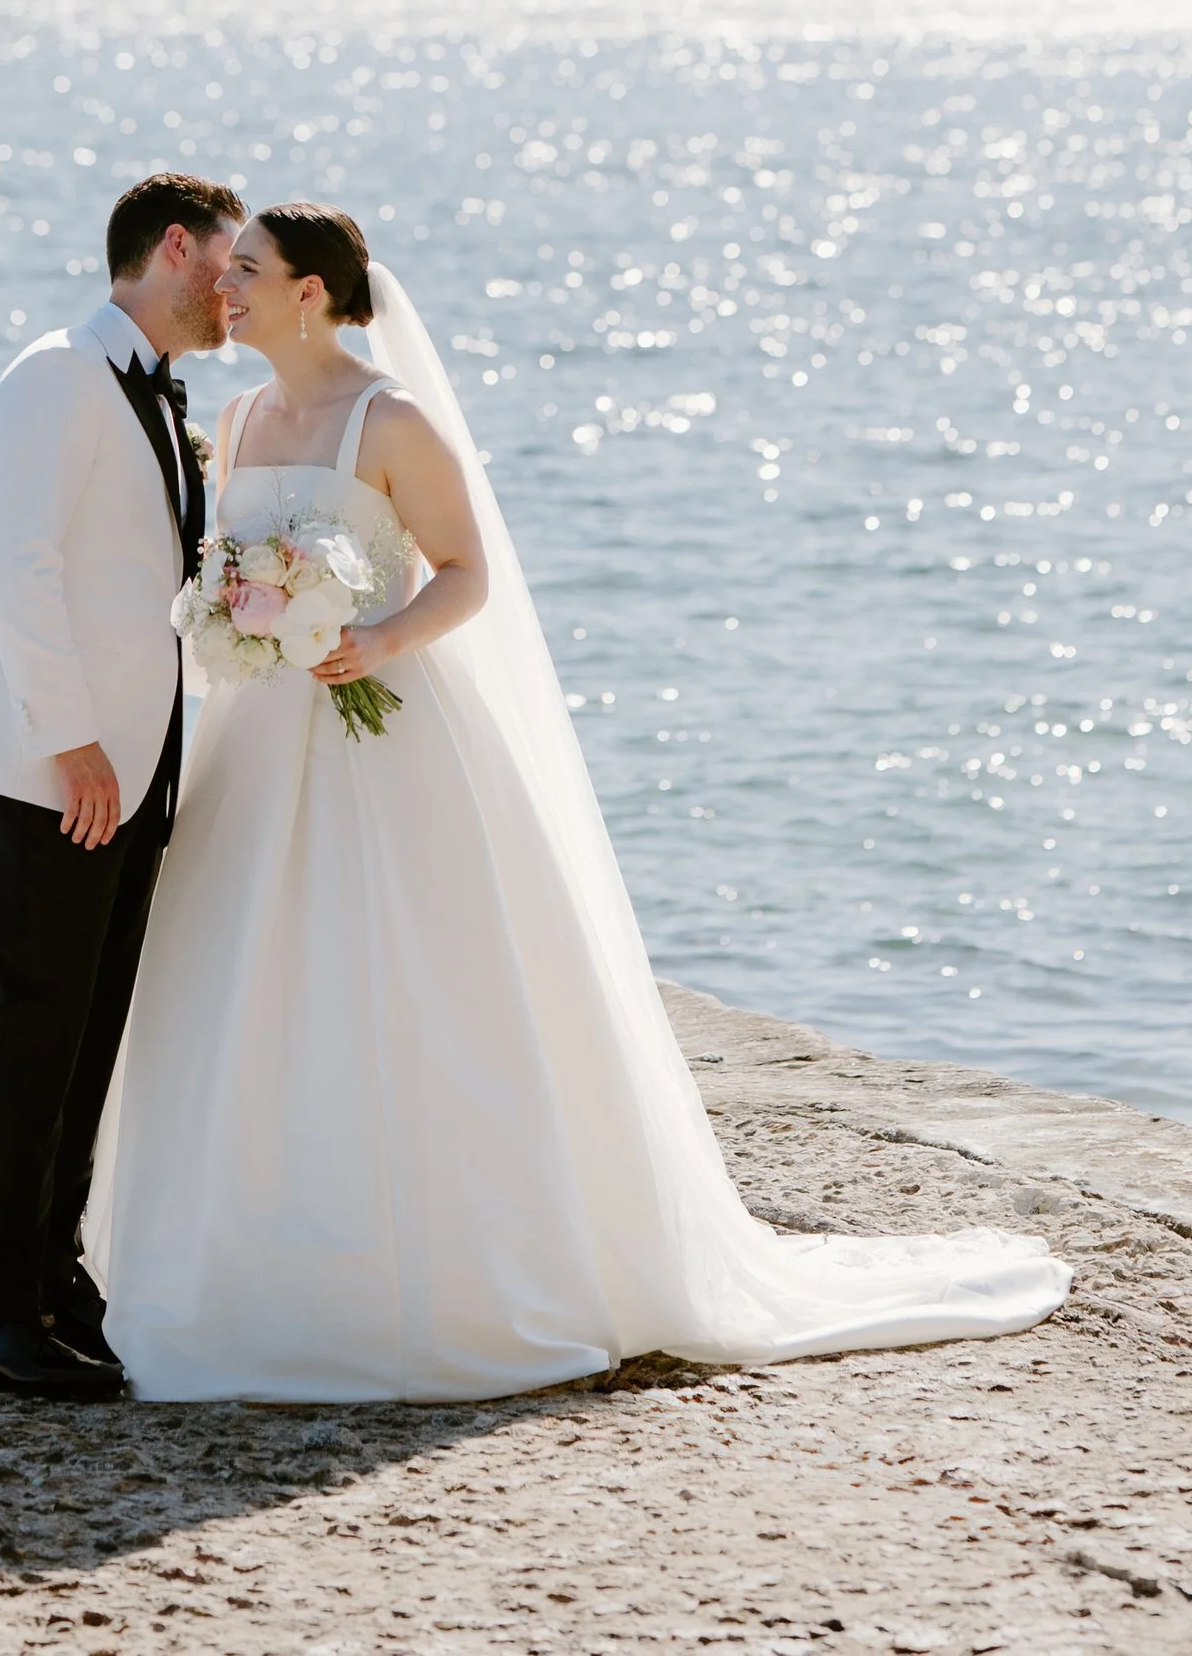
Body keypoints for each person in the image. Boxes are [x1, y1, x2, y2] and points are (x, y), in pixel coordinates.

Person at [89, 203, 1071, 1401]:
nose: (223, 288)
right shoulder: (236, 420)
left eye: (247, 270)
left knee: (409, 989)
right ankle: (236, 1264)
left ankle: (452, 1272)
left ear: (308, 293)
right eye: (225, 266)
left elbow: (467, 574)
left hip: (386, 732)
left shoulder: (387, 421)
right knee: (235, 983)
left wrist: (379, 635)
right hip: (258, 744)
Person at [0, 168, 244, 1398]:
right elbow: (17, 567)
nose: (237, 295)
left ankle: (56, 1282)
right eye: (229, 266)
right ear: (174, 250)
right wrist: (69, 741)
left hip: (135, 768)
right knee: (36, 1037)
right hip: (52, 769)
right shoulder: (54, 375)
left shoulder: (162, 395)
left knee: (90, 1040)